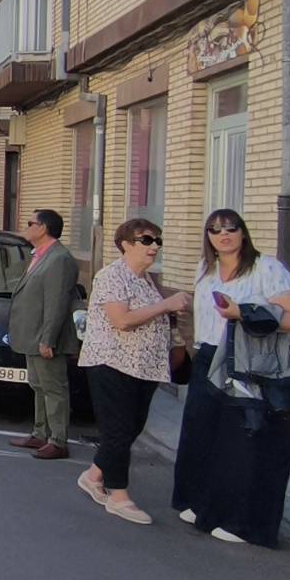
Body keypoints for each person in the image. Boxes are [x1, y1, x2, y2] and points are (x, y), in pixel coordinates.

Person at [173, 209, 290, 546]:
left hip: (253, 364)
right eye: (215, 229)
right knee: (203, 435)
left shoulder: (267, 268)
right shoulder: (206, 268)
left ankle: (245, 523)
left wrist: (245, 313)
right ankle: (207, 507)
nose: (224, 235)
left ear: (243, 233)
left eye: (231, 228)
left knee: (245, 443)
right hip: (209, 357)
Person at [76, 219, 189, 526]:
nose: (153, 246)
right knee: (117, 428)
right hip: (111, 363)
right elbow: (121, 319)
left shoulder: (148, 280)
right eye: (146, 240)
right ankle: (118, 494)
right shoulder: (112, 276)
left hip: (146, 367)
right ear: (126, 243)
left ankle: (95, 474)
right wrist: (165, 305)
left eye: (157, 241)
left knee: (132, 427)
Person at [7, 208, 81, 460]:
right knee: (38, 385)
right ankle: (40, 432)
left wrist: (48, 339)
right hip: (31, 335)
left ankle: (58, 440)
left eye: (31, 223)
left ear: (44, 228)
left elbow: (56, 302)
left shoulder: (59, 259)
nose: (26, 227)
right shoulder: (39, 255)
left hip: (45, 337)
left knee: (53, 388)